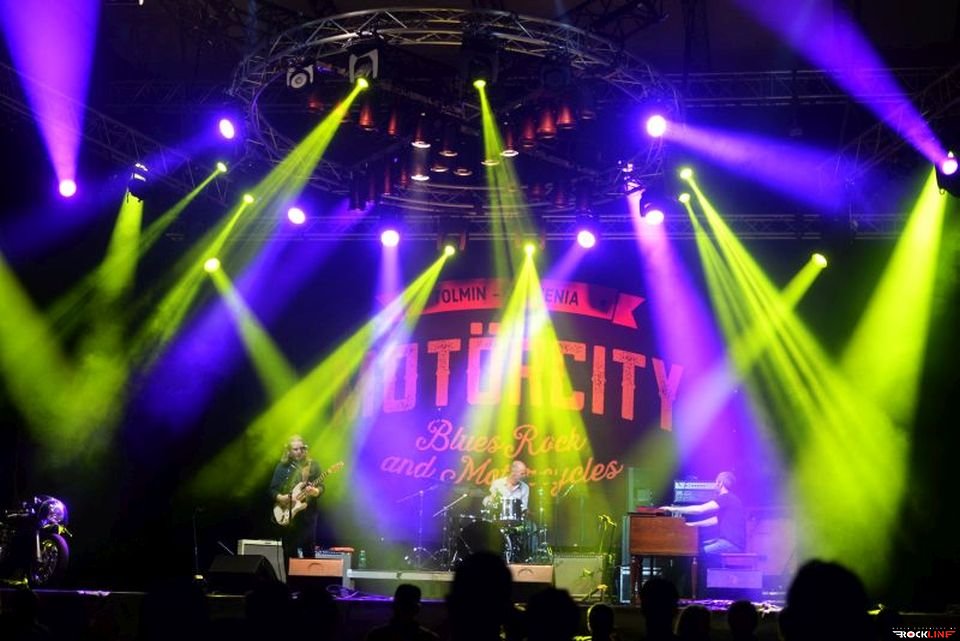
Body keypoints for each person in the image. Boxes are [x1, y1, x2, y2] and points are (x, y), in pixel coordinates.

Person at [660, 471, 745, 554]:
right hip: (732, 543)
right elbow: (714, 520)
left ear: (720, 483)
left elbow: (699, 509)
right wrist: (691, 524)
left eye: (716, 482)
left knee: (697, 552)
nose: (715, 485)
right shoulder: (732, 499)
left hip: (730, 544)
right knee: (698, 546)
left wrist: (672, 509)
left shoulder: (725, 498)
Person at [269, 435, 322, 558]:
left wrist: (315, 491)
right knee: (289, 552)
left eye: (301, 448)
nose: (299, 451)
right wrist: (283, 498)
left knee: (309, 552)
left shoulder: (313, 465)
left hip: (307, 514)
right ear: (288, 451)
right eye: (295, 449)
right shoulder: (282, 466)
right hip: (288, 513)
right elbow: (272, 490)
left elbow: (321, 487)